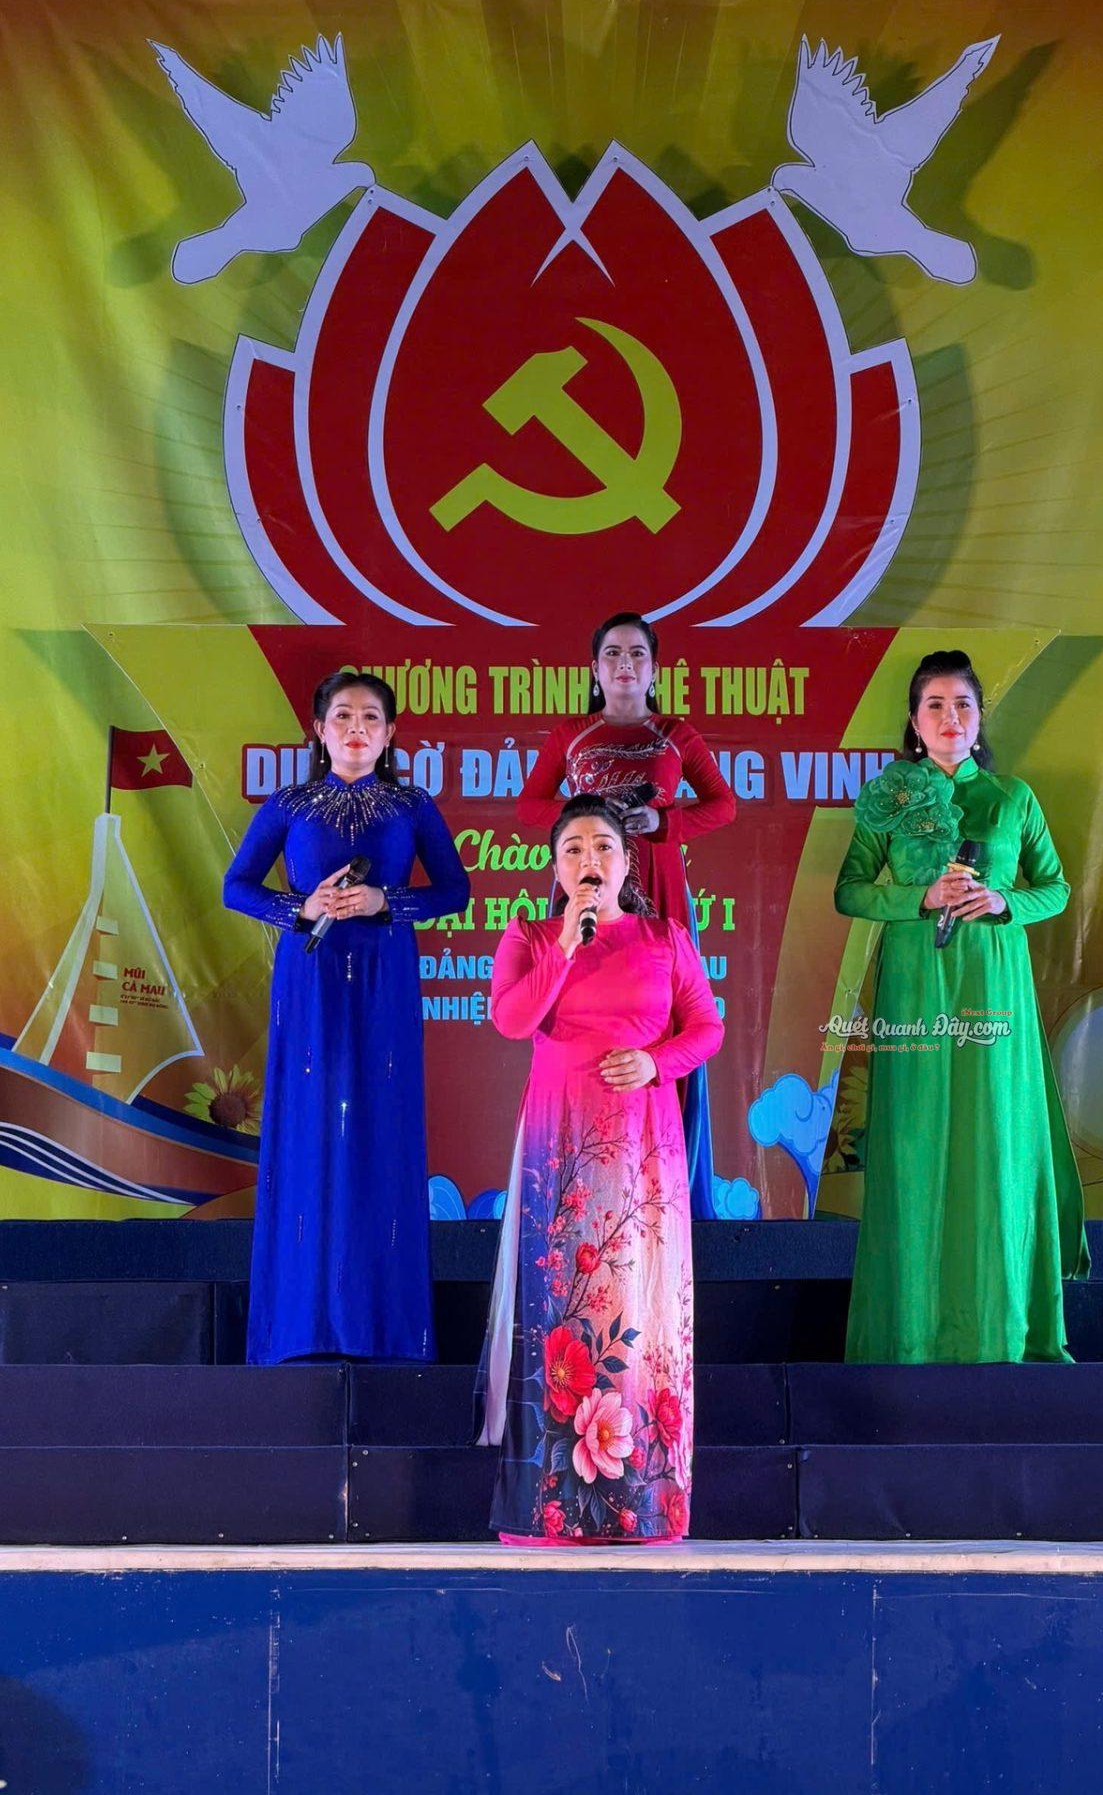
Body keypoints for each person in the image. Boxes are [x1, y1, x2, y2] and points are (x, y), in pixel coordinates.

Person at [476, 793, 724, 1544]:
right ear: (556, 866)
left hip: (643, 1142)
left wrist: (655, 1062)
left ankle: (639, 1504)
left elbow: (707, 1028)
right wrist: (563, 944)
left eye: (604, 847)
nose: (590, 861)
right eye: (575, 849)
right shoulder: (529, 935)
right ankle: (554, 1508)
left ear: (626, 861)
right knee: (562, 1310)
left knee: (638, 1310)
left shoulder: (664, 936)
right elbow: (511, 1019)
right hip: (560, 1141)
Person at [833, 649, 1089, 1364]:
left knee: (994, 1143)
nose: (951, 717)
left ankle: (1000, 1330)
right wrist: (920, 896)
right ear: (915, 723)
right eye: (936, 705)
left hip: (993, 988)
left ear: (980, 719)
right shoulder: (888, 799)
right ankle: (909, 1336)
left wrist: (1004, 902)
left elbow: (1056, 888)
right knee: (915, 1144)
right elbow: (850, 891)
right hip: (916, 986)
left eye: (963, 705)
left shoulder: (1012, 798)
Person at [224, 670, 469, 1364]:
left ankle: (385, 1328)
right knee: (307, 1125)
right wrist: (298, 907)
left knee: (381, 1122)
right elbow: (235, 886)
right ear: (319, 730)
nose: (356, 728)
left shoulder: (412, 804)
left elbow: (455, 891)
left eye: (370, 718)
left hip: (385, 976)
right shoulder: (289, 803)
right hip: (310, 975)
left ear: (391, 734)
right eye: (342, 716)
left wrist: (387, 902)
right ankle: (299, 1326)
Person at [517, 612, 735, 1217]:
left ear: (654, 668)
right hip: (586, 887)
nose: (625, 664)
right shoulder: (571, 734)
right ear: (594, 669)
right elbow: (531, 807)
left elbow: (723, 805)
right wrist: (587, 815)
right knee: (574, 1010)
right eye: (612, 653)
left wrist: (663, 821)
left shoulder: (675, 733)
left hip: (658, 883)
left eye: (637, 654)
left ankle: (668, 1183)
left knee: (668, 1018)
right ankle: (572, 1176)